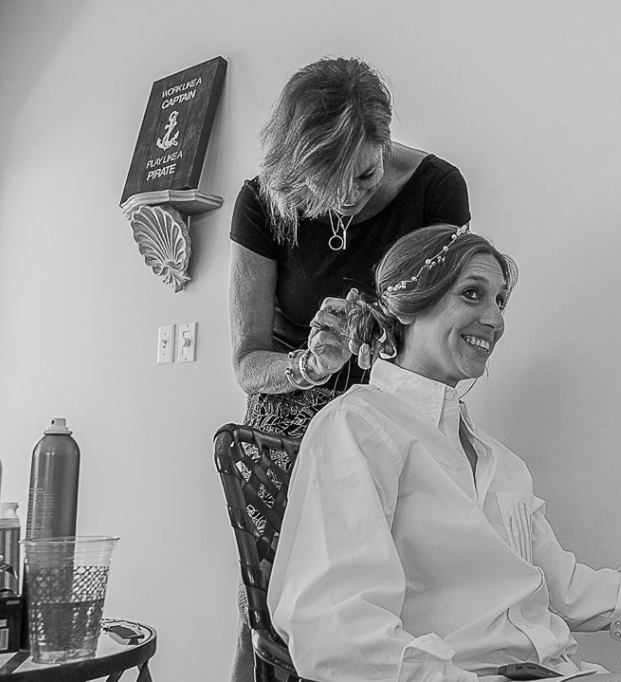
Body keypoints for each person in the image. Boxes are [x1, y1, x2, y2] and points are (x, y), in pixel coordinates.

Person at [268, 225, 621, 682]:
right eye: (473, 293)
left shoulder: (499, 462)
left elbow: (568, 589)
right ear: (409, 304)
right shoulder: (356, 427)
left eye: (500, 300)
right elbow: (337, 632)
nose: (494, 318)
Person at [228, 58, 471, 681]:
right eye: (325, 186)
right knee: (280, 614)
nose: (345, 199)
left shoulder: (437, 190)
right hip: (289, 428)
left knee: (402, 606)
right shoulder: (262, 202)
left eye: (362, 174)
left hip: (395, 426)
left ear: (384, 140)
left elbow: (445, 337)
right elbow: (248, 362)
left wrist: (383, 339)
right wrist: (310, 365)